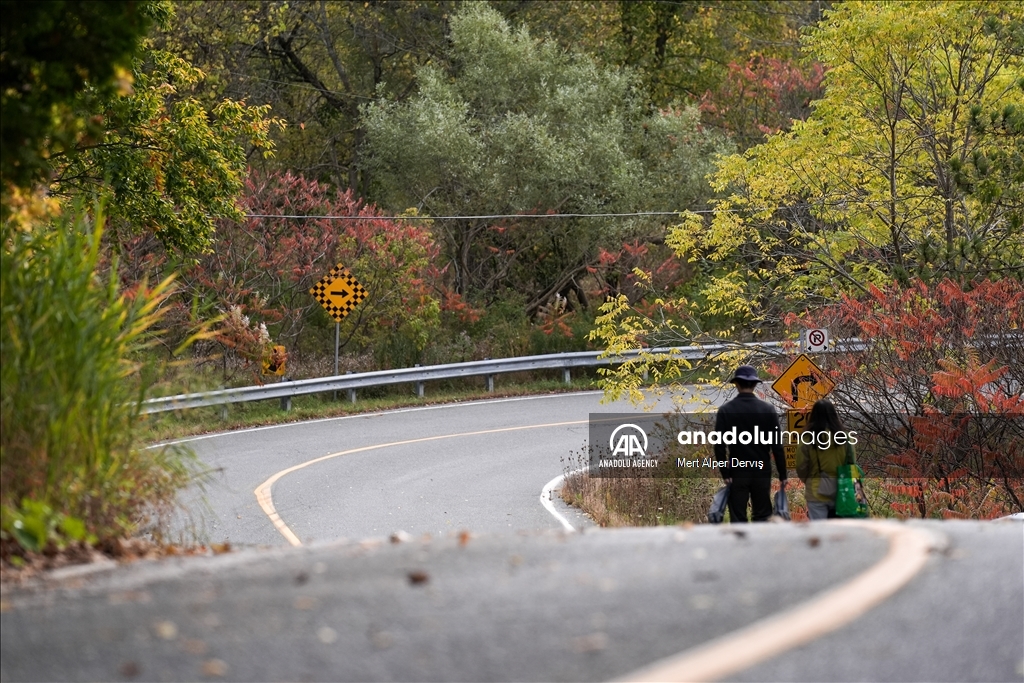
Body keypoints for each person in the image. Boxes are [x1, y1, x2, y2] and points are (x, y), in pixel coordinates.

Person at [714, 365, 788, 522]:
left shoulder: (726, 410)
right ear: (754, 385)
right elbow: (777, 446)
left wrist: (725, 473)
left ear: (737, 384)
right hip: (761, 469)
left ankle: (740, 545)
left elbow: (719, 446)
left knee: (738, 516)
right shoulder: (767, 409)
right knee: (762, 515)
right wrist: (782, 474)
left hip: (738, 470)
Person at [795, 399, 856, 520]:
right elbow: (852, 464)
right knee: (838, 532)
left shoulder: (808, 439)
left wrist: (808, 480)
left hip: (816, 490)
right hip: (841, 489)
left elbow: (801, 466)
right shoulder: (846, 438)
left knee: (819, 531)